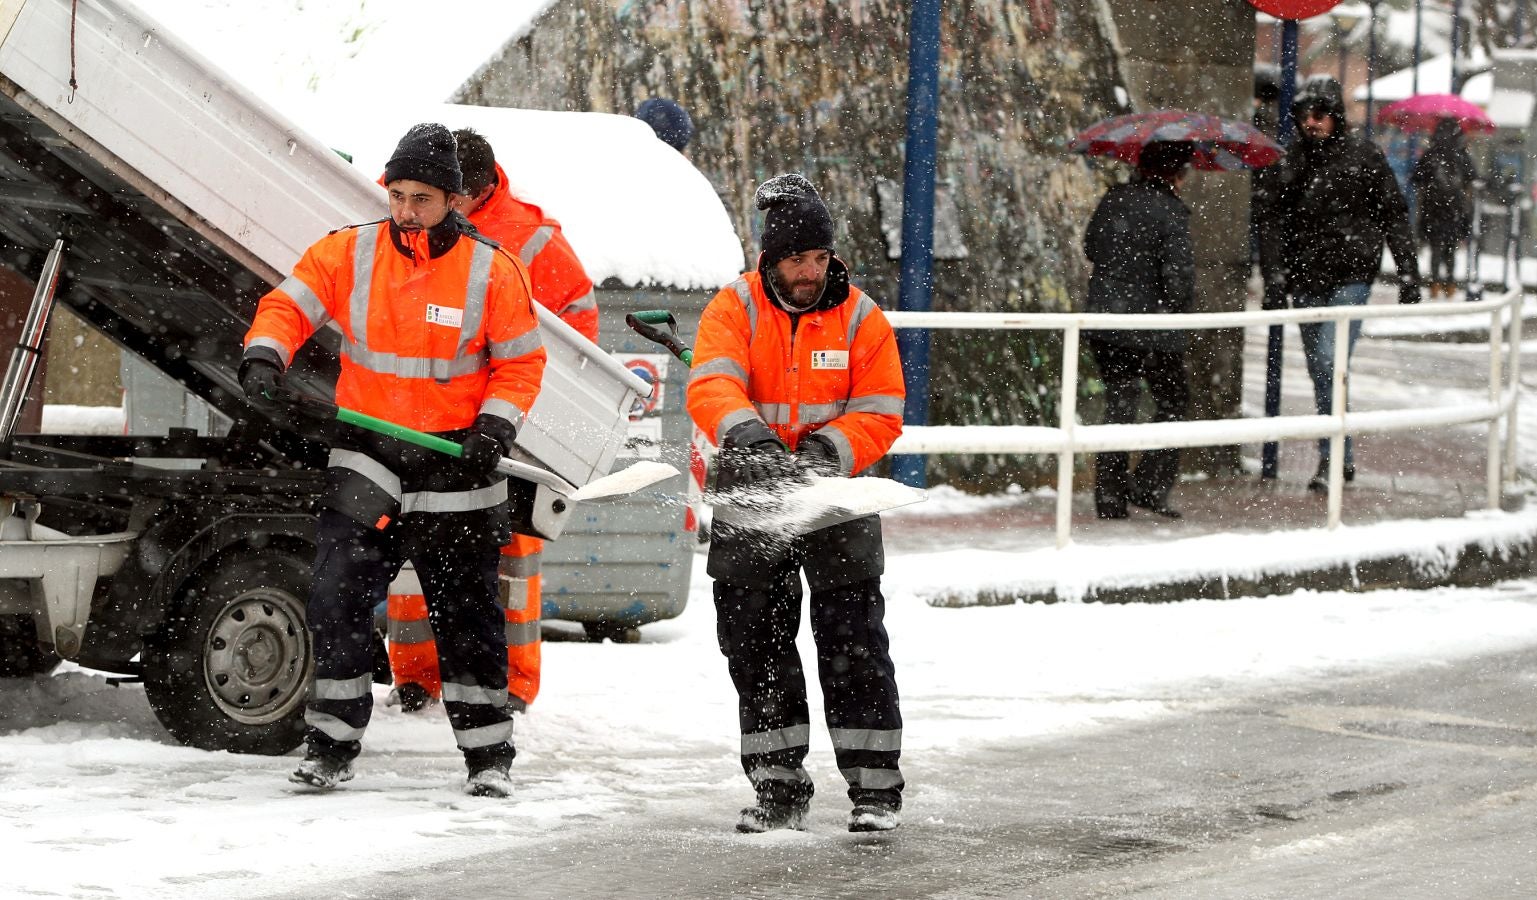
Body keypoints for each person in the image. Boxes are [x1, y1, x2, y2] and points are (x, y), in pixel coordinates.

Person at [241, 122, 547, 797]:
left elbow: (521, 364)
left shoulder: (492, 270)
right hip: (369, 456)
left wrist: (495, 426)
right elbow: (287, 305)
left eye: (422, 199)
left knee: (467, 619)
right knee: (335, 597)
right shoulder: (349, 252)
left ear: (453, 201)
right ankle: (330, 745)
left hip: (458, 465)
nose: (406, 211)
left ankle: (487, 756)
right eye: (397, 195)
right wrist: (265, 353)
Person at [686, 173, 907, 834]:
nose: (810, 272)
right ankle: (777, 787)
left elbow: (881, 409)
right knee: (754, 643)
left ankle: (874, 790)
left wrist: (828, 448)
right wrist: (746, 432)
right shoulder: (733, 308)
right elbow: (712, 382)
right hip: (752, 490)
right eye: (796, 260)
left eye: (819, 257)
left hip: (834, 495)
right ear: (769, 259)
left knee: (854, 642)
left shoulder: (861, 318)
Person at [384, 126, 599, 717]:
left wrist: (525, 400)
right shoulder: (414, 214)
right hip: (435, 418)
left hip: (510, 420)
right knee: (417, 549)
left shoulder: (528, 238)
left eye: (455, 196)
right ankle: (417, 677)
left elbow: (578, 330)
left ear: (476, 189)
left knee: (511, 556)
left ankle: (512, 682)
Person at [1265, 75, 1421, 493]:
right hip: (1306, 277)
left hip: (1352, 273)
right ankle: (1339, 454)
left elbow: (1393, 212)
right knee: (1321, 369)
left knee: (1329, 362)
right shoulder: (1292, 160)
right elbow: (1272, 220)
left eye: (1319, 114)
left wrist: (1408, 271)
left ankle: (1332, 458)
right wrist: (1275, 275)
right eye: (1304, 115)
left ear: (1334, 115)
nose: (1310, 122)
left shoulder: (1363, 156)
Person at [1082, 141, 1195, 520]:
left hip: (1106, 322)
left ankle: (1110, 497)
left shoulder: (1113, 199)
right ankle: (1148, 484)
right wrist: (1178, 306)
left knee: (1120, 404)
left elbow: (1091, 247)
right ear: (1176, 173)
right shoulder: (1172, 211)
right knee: (1174, 402)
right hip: (1152, 327)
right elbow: (1178, 281)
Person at [1411, 117, 1478, 299]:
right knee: (1450, 248)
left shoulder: (1431, 154)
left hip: (1433, 209)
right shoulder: (1461, 154)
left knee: (1435, 247)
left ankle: (1434, 283)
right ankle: (1450, 284)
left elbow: (1416, 178)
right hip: (1455, 210)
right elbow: (1472, 178)